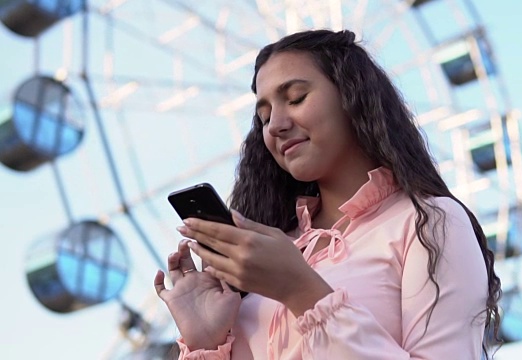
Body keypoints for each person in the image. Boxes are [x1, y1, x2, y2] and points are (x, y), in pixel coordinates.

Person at [154, 29, 501, 359]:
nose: (275, 125)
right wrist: (206, 340)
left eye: (296, 98)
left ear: (353, 98)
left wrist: (300, 291)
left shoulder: (429, 224)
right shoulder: (268, 253)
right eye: (264, 116)